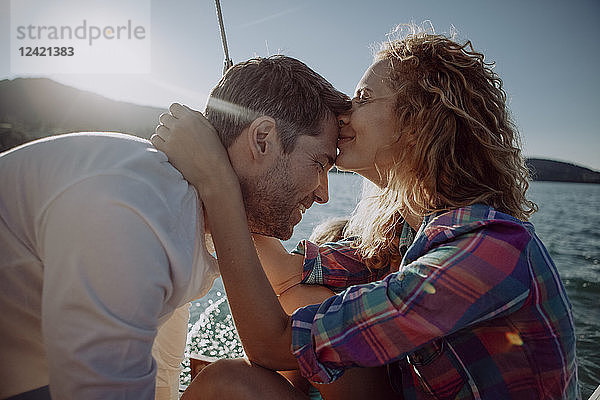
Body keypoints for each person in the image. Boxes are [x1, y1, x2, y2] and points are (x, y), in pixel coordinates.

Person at [152, 27, 579, 399]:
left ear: (419, 122)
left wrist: (216, 183)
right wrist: (236, 153)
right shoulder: (404, 237)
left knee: (227, 385)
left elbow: (272, 343)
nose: (343, 112)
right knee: (302, 295)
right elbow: (282, 271)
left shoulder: (490, 253)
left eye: (362, 98)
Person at [0, 55, 350, 400]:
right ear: (262, 140)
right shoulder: (137, 215)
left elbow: (157, 373)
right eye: (320, 163)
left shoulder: (186, 218)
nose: (324, 194)